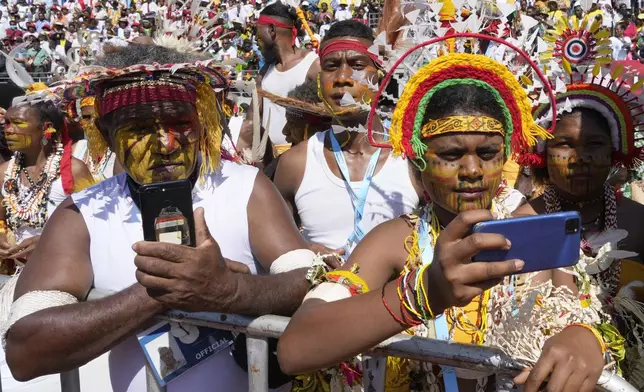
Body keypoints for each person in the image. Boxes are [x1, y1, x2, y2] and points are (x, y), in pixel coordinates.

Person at [277, 12, 614, 392]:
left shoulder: (536, 231)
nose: (472, 170)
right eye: (451, 155)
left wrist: (585, 337)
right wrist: (425, 292)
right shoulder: (393, 243)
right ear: (417, 160)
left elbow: (580, 315)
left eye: (487, 153)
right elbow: (295, 349)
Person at [3, 42, 327, 392]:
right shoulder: (83, 212)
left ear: (200, 124)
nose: (167, 143)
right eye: (140, 127)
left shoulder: (246, 187)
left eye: (180, 123)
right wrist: (159, 292)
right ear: (108, 136)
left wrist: (231, 291)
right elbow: (25, 350)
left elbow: (309, 279)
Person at [515, 21, 644, 390]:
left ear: (614, 151)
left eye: (594, 145)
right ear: (542, 153)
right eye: (564, 145)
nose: (580, 158)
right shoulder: (522, 222)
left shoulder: (639, 221)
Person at [274, 20, 420, 259]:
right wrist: (305, 250)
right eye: (331, 66)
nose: (342, 77)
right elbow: (276, 245)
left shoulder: (411, 157)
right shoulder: (295, 163)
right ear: (319, 81)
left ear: (381, 79)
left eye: (357, 65)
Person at [252, 1, 320, 156]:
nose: (256, 39)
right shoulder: (265, 70)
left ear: (271, 30)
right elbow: (252, 117)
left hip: (301, 157)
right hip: (266, 157)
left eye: (258, 32)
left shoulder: (313, 65)